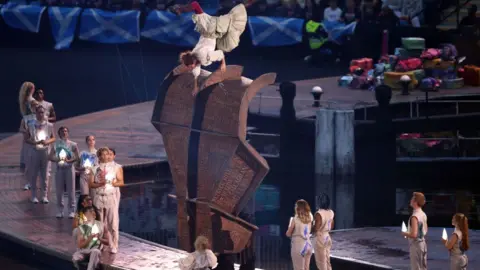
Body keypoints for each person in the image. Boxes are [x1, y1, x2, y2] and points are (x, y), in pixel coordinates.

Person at [174, 1, 248, 96]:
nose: (190, 68)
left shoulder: (204, 57)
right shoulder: (194, 57)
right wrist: (195, 87)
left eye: (189, 66)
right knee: (218, 29)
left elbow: (220, 54)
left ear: (192, 62)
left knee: (229, 41)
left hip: (212, 30)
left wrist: (223, 64)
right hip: (210, 33)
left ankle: (240, 7)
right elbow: (195, 73)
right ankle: (234, 9)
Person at [89, 147, 121, 254]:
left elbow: (120, 182)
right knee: (99, 223)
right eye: (102, 154)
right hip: (99, 196)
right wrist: (100, 184)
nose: (104, 156)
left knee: (113, 222)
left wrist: (111, 182)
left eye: (106, 154)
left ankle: (114, 244)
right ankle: (99, 243)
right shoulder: (94, 168)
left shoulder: (116, 167)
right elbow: (91, 184)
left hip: (110, 196)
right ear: (99, 156)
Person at [24, 106, 55, 203]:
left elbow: (53, 137)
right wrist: (35, 143)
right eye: (39, 112)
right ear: (36, 113)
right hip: (34, 151)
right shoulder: (30, 124)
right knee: (33, 174)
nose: (41, 114)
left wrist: (47, 141)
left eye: (42, 112)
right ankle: (33, 195)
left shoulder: (49, 125)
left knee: (45, 174)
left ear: (45, 113)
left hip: (45, 151)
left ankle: (44, 196)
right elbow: (26, 139)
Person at [49, 126, 79, 218]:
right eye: (62, 131)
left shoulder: (73, 144)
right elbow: (50, 157)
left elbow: (77, 157)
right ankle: (60, 210)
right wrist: (58, 159)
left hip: (69, 169)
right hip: (59, 169)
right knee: (59, 191)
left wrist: (69, 161)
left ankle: (71, 210)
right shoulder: (55, 144)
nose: (64, 133)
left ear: (68, 133)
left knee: (71, 190)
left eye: (66, 131)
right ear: (59, 133)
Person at [72, 206, 109, 270]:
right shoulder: (81, 228)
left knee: (95, 252)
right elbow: (80, 245)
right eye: (90, 212)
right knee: (75, 258)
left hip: (94, 251)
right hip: (84, 251)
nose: (93, 213)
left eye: (93, 211)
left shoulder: (102, 225)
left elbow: (107, 242)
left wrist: (99, 238)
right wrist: (90, 238)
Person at [401, 192, 428, 270]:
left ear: (415, 202)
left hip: (416, 245)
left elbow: (414, 234)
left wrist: (404, 233)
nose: (410, 200)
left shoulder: (414, 217)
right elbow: (425, 230)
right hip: (423, 244)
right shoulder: (423, 214)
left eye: (412, 198)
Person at [19, 81, 38, 187]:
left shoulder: (23, 101)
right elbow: (38, 113)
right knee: (33, 151)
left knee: (27, 151)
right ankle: (32, 179)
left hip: (27, 124)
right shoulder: (32, 101)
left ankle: (29, 180)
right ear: (32, 89)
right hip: (33, 125)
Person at [286, 199, 313, 270]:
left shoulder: (294, 219)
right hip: (308, 245)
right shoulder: (310, 216)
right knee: (306, 268)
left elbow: (288, 234)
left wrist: (290, 228)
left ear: (297, 208)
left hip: (299, 246)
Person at [312, 193, 334, 270]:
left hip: (320, 238)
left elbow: (315, 228)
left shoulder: (318, 214)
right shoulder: (331, 212)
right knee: (327, 262)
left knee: (321, 264)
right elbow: (331, 226)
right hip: (327, 237)